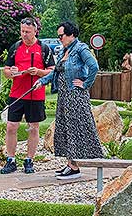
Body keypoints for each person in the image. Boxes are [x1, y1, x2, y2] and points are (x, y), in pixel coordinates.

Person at [35, 21, 104, 180]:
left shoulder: (81, 49)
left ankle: (74, 167)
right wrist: (41, 82)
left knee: (74, 130)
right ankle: (70, 164)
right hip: (64, 97)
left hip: (75, 96)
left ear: (71, 34)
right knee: (66, 129)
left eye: (61, 36)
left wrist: (85, 84)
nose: (59, 39)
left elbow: (94, 66)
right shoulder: (64, 51)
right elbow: (56, 73)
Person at [0, 17, 55, 174]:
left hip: (36, 94)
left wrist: (38, 72)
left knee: (33, 128)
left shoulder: (44, 48)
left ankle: (29, 160)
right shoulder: (15, 47)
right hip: (16, 93)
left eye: (27, 32)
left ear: (35, 31)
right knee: (11, 126)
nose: (24, 34)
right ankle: (10, 160)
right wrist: (12, 73)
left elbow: (52, 71)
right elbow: (6, 71)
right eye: (22, 31)